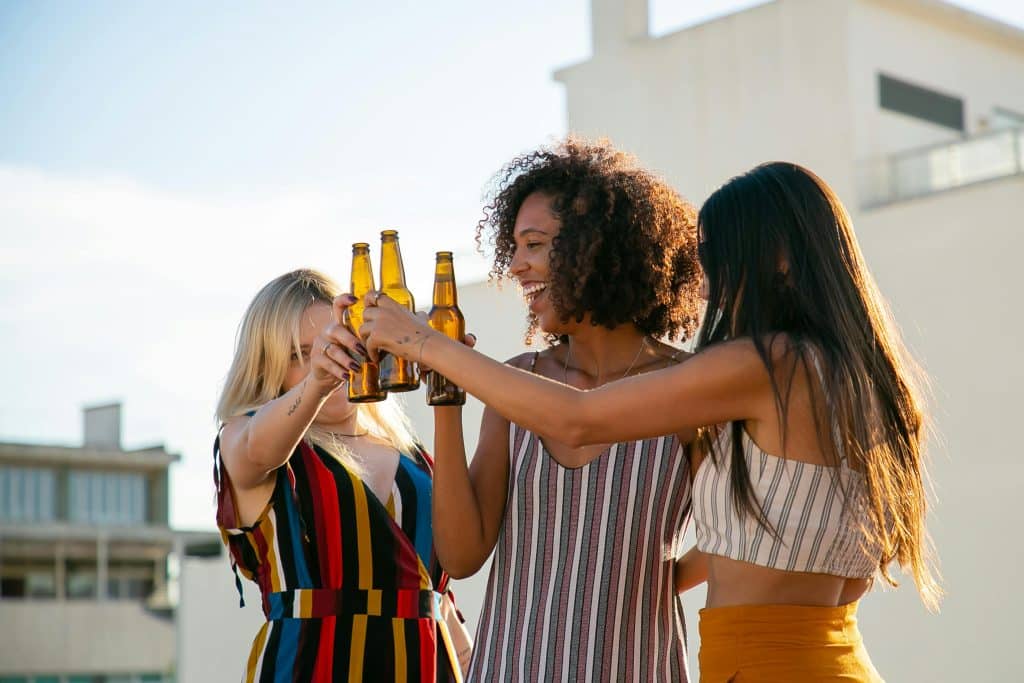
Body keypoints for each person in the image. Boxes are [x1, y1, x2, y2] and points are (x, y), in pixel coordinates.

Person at [342, 162, 942, 681]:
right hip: (830, 655)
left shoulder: (764, 365)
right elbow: (768, 524)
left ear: (779, 259)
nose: (705, 279)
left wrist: (424, 343)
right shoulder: (865, 380)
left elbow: (577, 420)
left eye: (721, 256)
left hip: (759, 664)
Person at [428, 138, 703, 680]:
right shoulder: (517, 383)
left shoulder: (691, 389)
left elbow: (741, 537)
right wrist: (446, 393)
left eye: (534, 244)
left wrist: (650, 575)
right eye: (514, 246)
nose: (517, 265)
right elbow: (460, 558)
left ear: (595, 248)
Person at [213, 269, 464, 682]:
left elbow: (438, 604)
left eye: (338, 344)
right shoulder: (246, 436)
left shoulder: (414, 456)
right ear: (266, 369)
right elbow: (255, 450)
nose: (330, 361)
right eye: (300, 355)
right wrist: (317, 382)